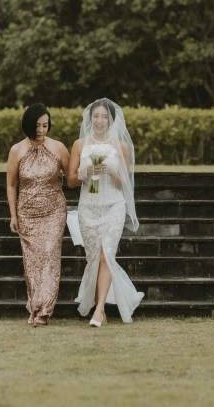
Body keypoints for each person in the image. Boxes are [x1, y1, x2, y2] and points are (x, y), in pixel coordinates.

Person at [67, 98, 143, 326]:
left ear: (112, 119)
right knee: (94, 258)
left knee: (105, 254)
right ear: (90, 118)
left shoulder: (121, 147)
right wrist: (86, 171)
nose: (100, 121)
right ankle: (104, 308)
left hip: (113, 205)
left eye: (104, 117)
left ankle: (98, 310)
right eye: (96, 116)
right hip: (88, 206)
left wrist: (111, 171)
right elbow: (70, 180)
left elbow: (125, 184)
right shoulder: (79, 145)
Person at [6, 103, 70, 327]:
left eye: (46, 125)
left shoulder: (59, 148)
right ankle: (34, 306)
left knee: (50, 258)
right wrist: (13, 215)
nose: (42, 130)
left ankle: (43, 311)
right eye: (38, 126)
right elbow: (12, 185)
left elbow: (71, 178)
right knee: (32, 263)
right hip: (27, 213)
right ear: (28, 125)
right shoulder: (17, 150)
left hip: (54, 211)